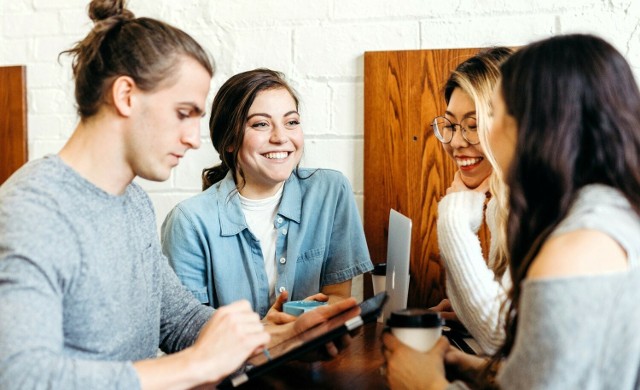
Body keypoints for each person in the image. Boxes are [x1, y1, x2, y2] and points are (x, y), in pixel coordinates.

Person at [0, 1, 357, 389]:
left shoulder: (132, 202)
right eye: (183, 113)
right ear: (126, 96)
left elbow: (179, 320)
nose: (192, 138)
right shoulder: (32, 211)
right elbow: (21, 376)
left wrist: (278, 338)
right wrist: (195, 365)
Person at [383, 33, 640, 389]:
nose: (466, 138)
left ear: (539, 125)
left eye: (492, 114)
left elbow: (504, 338)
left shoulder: (576, 248)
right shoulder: (603, 214)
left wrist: (425, 384)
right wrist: (476, 369)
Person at [161, 68, 373, 318]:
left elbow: (338, 296)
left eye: (291, 122)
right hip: (235, 358)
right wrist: (269, 335)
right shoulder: (188, 222)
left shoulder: (330, 191)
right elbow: (186, 329)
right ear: (229, 140)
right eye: (261, 124)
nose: (281, 137)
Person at [429, 47, 512, 355]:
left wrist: (453, 217)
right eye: (450, 125)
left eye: (473, 125)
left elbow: (501, 338)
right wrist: (469, 311)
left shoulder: (541, 205)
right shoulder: (503, 204)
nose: (456, 141)